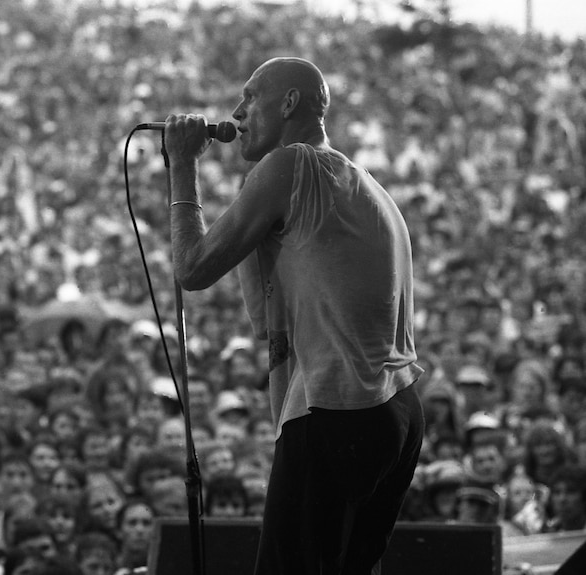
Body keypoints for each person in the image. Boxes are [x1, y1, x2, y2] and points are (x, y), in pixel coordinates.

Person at [164, 56, 425, 574]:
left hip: (338, 412)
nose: (237, 112)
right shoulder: (368, 185)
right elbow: (272, 314)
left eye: (250, 97)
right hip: (397, 412)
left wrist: (182, 166)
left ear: (288, 104)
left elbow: (191, 269)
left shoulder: (289, 166)